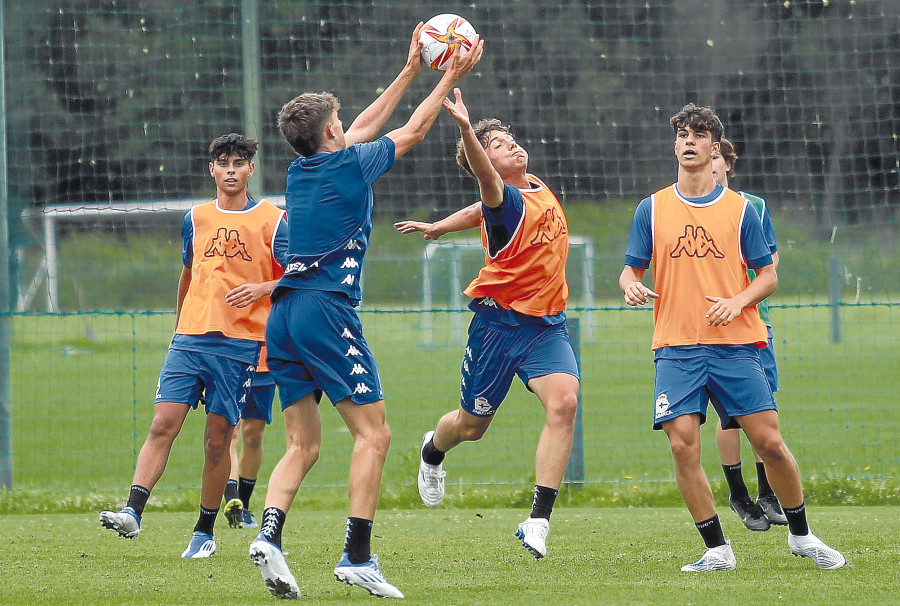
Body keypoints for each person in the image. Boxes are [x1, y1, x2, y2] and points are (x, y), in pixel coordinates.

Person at [247, 24, 483, 600]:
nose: (347, 125)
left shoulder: (302, 171)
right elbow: (413, 130)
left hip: (284, 316)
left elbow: (360, 130)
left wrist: (409, 69)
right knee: (374, 435)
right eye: (340, 121)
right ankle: (357, 555)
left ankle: (271, 537)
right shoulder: (351, 166)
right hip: (326, 311)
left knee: (303, 444)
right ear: (331, 130)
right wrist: (448, 75)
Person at [619, 103, 845, 571]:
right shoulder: (652, 208)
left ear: (715, 148)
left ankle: (802, 536)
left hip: (737, 344)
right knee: (682, 443)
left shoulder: (742, 210)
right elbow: (629, 269)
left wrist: (738, 301)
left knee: (769, 443)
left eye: (698, 135)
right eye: (681, 134)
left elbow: (767, 275)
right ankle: (717, 549)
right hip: (675, 347)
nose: (688, 141)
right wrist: (630, 286)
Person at [395, 89, 580, 561]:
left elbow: (479, 208)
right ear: (488, 163)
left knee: (564, 405)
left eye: (509, 138)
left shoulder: (530, 185)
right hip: (497, 329)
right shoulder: (502, 195)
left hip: (544, 327)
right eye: (498, 144)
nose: (511, 145)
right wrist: (464, 128)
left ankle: (538, 520)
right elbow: (486, 189)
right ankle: (433, 450)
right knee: (471, 427)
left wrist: (439, 226)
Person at [100, 133, 288, 558]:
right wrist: (179, 322)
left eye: (239, 162)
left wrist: (262, 287)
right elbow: (188, 273)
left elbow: (297, 275)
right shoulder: (195, 218)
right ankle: (133, 510)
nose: (231, 170)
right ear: (212, 170)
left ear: (251, 169)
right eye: (223, 163)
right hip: (188, 340)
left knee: (217, 442)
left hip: (240, 345)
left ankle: (204, 531)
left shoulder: (274, 221)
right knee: (162, 424)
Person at [710, 138, 787, 531]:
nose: (711, 163)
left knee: (763, 409)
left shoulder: (751, 207)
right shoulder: (681, 207)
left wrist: (742, 293)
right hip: (713, 326)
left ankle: (766, 492)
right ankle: (737, 493)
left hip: (756, 322)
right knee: (729, 417)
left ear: (727, 164)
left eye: (717, 157)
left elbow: (769, 260)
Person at [222, 347, 280, 531]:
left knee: (254, 435)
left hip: (265, 361)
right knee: (229, 432)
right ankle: (232, 500)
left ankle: (243, 505)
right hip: (231, 354)